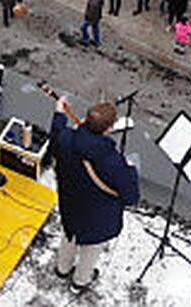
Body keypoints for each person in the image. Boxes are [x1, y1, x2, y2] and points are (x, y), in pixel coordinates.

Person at [49, 97, 139, 293]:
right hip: (97, 217)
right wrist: (131, 171)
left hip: (70, 205)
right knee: (90, 250)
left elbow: (56, 137)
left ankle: (62, 269)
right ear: (108, 129)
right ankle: (79, 282)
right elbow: (131, 197)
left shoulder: (66, 139)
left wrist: (59, 113)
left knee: (69, 235)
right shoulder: (113, 162)